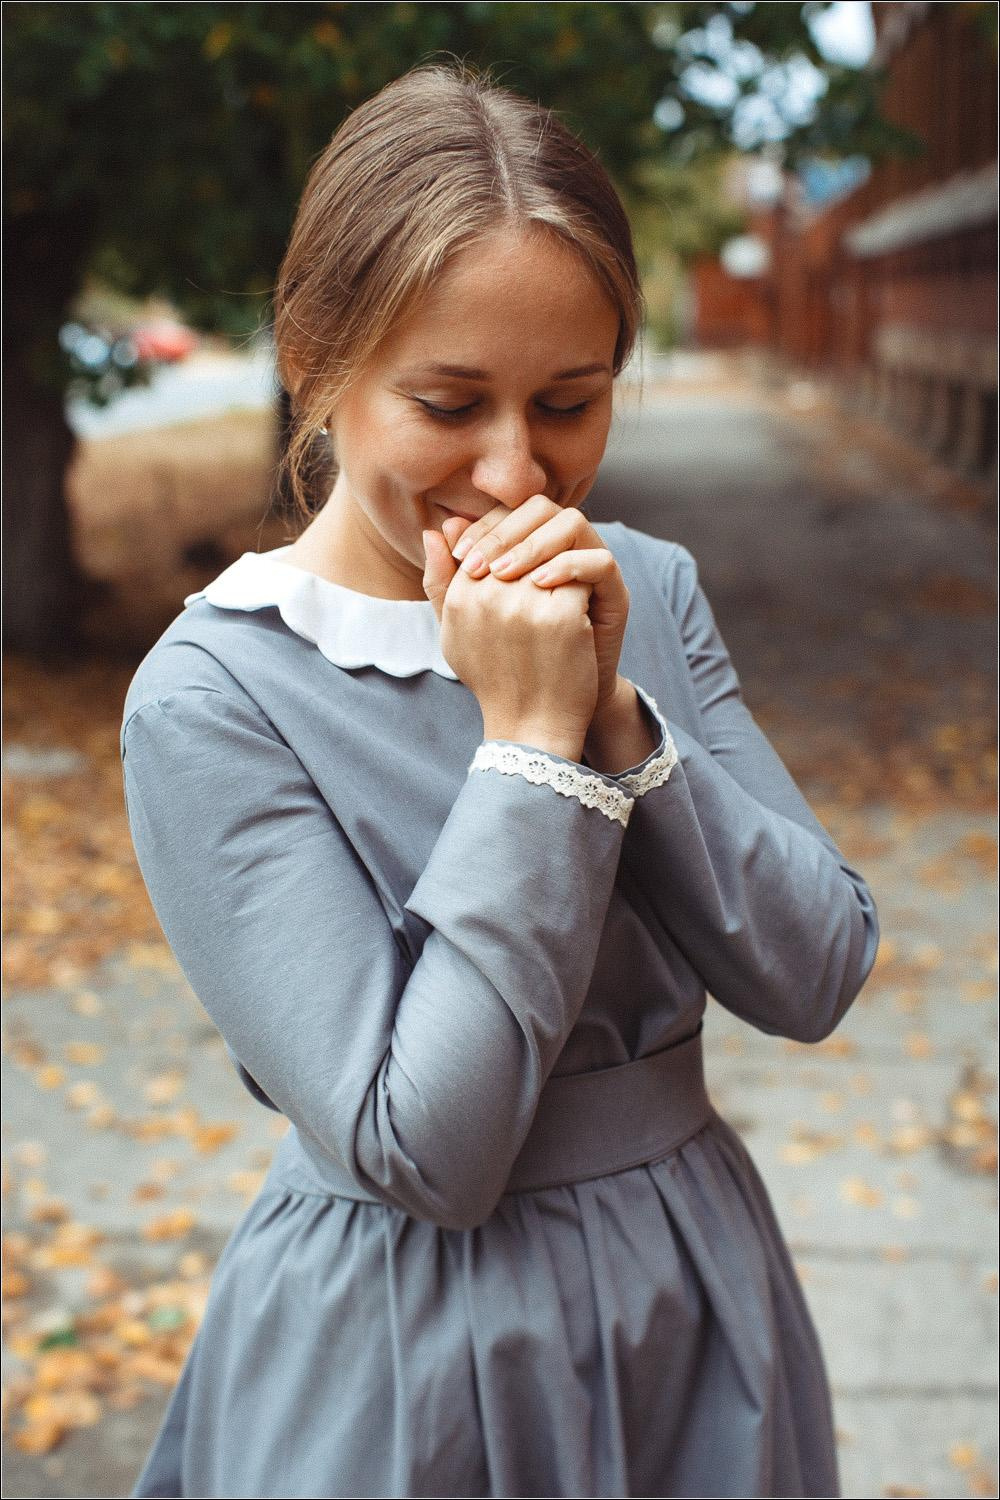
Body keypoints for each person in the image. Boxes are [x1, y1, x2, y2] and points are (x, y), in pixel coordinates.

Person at [121, 63, 879, 1500]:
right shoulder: (215, 693)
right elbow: (430, 1146)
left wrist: (620, 724)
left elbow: (818, 966)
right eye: (450, 402)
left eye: (571, 404)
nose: (519, 475)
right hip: (409, 1349)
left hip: (691, 1300)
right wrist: (532, 748)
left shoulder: (643, 587)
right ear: (315, 357)